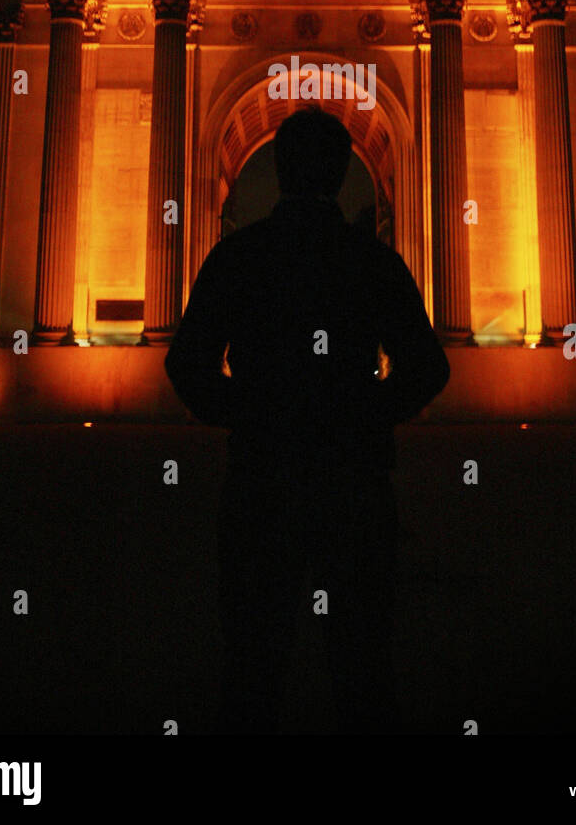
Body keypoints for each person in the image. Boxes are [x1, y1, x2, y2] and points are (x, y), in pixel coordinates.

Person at [164, 107, 450, 734]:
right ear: (347, 172)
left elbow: (186, 363)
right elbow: (428, 368)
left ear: (279, 164)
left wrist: (249, 413)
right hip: (354, 480)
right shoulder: (370, 261)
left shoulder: (239, 256)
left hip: (262, 478)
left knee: (251, 664)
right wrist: (366, 415)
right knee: (364, 668)